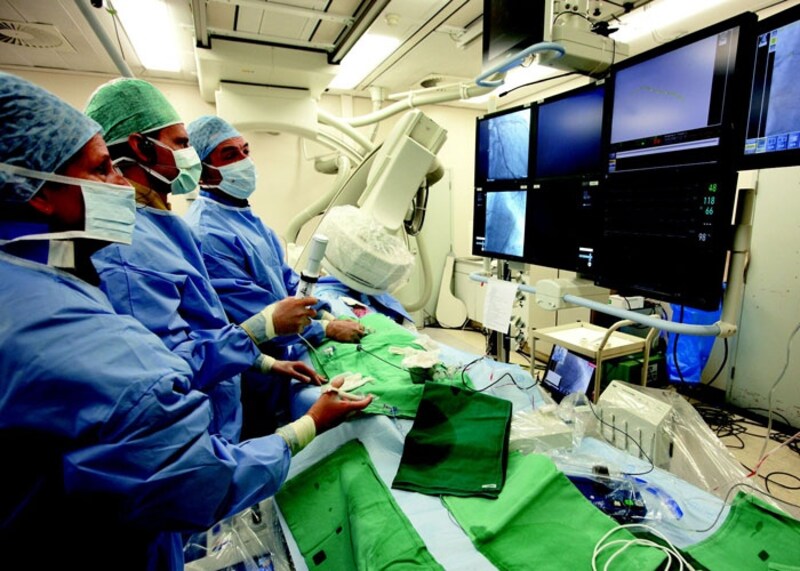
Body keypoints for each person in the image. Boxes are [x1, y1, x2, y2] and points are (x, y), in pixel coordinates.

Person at [0, 72, 371, 570]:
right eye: (103, 168)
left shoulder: (36, 278)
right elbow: (194, 473)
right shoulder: (95, 297)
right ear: (38, 191)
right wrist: (307, 425)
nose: (119, 185)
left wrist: (263, 360)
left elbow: (194, 332)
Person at [84, 78, 321, 443]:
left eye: (246, 151)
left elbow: (200, 325)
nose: (188, 154)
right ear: (140, 147)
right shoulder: (127, 247)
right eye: (181, 143)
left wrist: (265, 361)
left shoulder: (164, 226)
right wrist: (263, 329)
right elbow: (167, 371)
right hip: (192, 430)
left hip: (222, 399)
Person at [184, 115, 380, 437]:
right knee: (260, 436)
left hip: (277, 358)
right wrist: (325, 328)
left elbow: (286, 280)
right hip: (248, 371)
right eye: (229, 155)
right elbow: (260, 316)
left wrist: (323, 311)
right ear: (202, 171)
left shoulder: (246, 217)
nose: (243, 161)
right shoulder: (208, 233)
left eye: (245, 151)